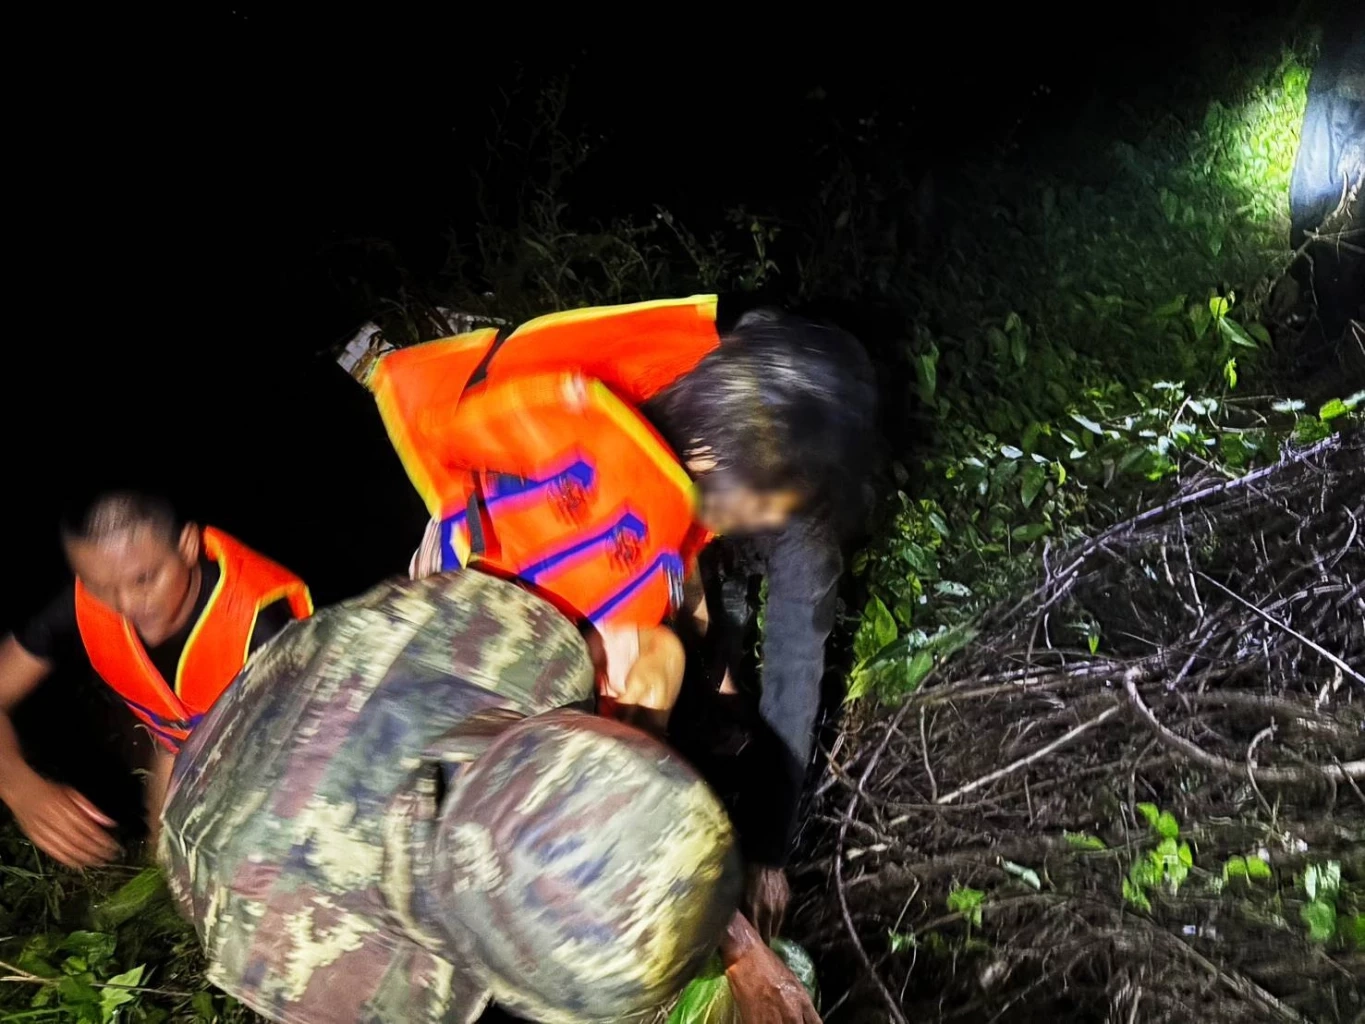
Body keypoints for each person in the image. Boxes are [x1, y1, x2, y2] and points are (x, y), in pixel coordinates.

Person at [356, 295, 877, 938]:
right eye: (767, 502)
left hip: (620, 584)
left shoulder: (758, 486)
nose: (774, 519)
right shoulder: (627, 428)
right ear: (724, 457)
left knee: (678, 663)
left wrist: (767, 848)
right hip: (486, 596)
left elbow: (793, 662)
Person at [160, 569, 820, 1024]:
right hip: (225, 828)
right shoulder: (336, 974)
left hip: (340, 668)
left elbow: (649, 649)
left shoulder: (527, 654)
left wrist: (628, 758)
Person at [0, 491, 312, 868]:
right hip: (181, 747)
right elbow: (174, 740)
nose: (126, 605)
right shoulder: (84, 603)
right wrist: (18, 786)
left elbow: (298, 773)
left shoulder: (263, 628)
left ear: (187, 546)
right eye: (101, 587)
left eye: (145, 579)